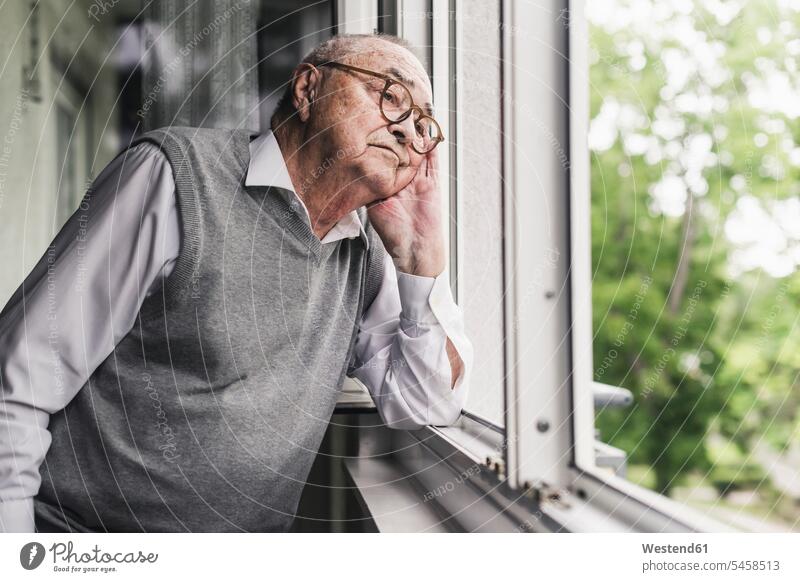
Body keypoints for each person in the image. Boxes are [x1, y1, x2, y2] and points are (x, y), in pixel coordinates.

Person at [0, 33, 472, 533]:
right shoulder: (172, 175)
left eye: (423, 124)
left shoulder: (367, 251)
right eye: (391, 97)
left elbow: (426, 406)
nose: (407, 133)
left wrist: (421, 265)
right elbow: (19, 382)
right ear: (308, 89)